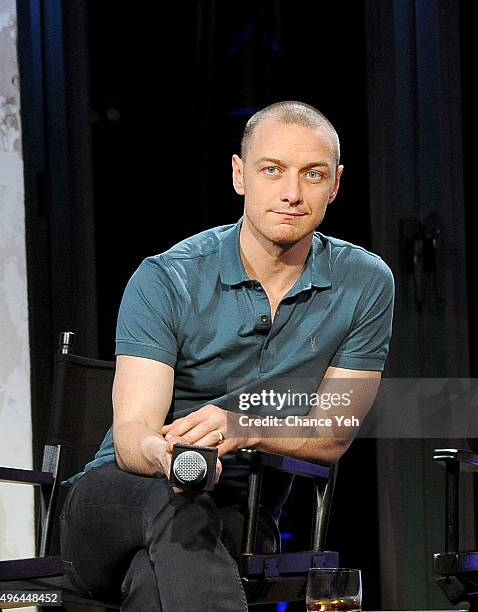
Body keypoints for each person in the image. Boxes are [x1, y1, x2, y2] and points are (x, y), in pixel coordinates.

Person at [60, 101, 394, 611]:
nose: (291, 192)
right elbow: (132, 436)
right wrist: (172, 460)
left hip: (239, 513)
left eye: (313, 174)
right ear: (240, 175)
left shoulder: (364, 283)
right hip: (119, 499)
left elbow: (332, 432)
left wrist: (245, 426)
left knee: (155, 585)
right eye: (272, 170)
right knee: (178, 502)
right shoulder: (168, 277)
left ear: (335, 185)